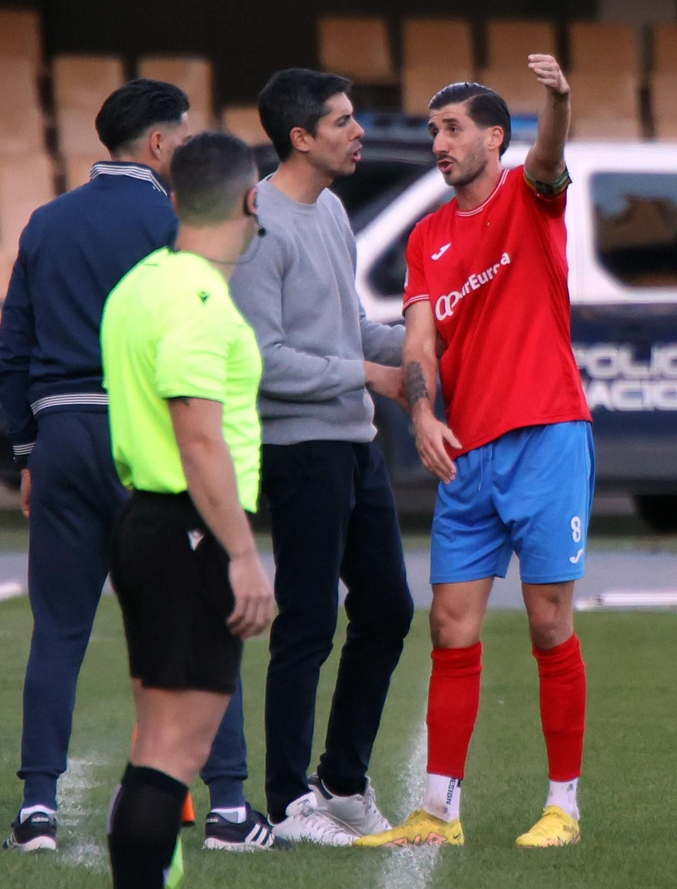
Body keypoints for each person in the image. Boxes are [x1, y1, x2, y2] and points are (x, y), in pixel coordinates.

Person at [0, 80, 275, 852]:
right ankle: (226, 802)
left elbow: (11, 348)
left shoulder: (46, 223)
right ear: (159, 146)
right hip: (141, 436)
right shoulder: (177, 224)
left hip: (58, 436)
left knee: (57, 626)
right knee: (202, 620)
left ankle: (38, 808)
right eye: (182, 138)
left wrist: (28, 448)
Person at [356, 56, 592, 850]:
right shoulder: (426, 238)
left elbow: (553, 156)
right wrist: (421, 412)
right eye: (431, 130)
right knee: (451, 626)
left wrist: (556, 100)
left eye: (451, 128)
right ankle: (439, 813)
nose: (437, 142)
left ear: (495, 138)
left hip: (550, 436)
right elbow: (420, 341)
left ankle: (563, 806)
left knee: (548, 622)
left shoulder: (531, 195)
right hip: (469, 453)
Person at [227, 68, 415, 846]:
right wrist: (370, 373)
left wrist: (427, 349)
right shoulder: (258, 227)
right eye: (342, 121)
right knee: (306, 622)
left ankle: (340, 781)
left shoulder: (333, 209)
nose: (356, 131)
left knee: (389, 607)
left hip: (352, 442)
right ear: (300, 137)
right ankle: (286, 802)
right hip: (299, 449)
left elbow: (347, 330)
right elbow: (264, 357)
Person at [100, 131, 275, 889]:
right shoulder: (201, 300)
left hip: (149, 522)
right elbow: (199, 436)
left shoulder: (140, 283)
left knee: (158, 746)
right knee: (174, 753)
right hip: (190, 528)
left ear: (173, 202)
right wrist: (241, 553)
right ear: (251, 199)